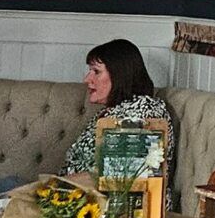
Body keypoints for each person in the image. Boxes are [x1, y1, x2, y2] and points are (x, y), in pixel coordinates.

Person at [65, 38, 167, 175]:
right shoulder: (111, 111)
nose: (86, 79)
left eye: (96, 71)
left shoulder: (143, 111)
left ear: (119, 75)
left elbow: (123, 179)